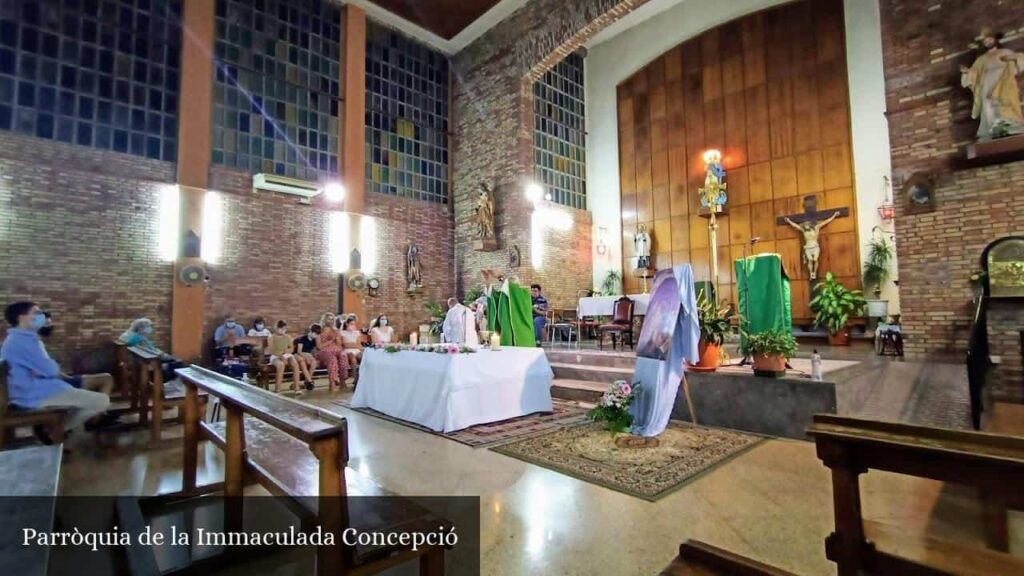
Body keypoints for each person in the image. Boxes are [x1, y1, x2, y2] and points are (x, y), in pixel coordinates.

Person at [1, 302, 110, 441]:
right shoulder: (23, 341)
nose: (41, 316)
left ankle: (53, 428)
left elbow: (44, 369)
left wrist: (43, 369)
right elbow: (51, 370)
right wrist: (47, 369)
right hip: (31, 394)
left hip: (30, 389)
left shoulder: (18, 338)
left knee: (80, 398)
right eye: (36, 312)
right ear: (22, 318)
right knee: (101, 401)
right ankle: (55, 429)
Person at [39, 311, 116, 402]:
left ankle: (97, 410)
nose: (51, 326)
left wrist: (68, 376)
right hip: (56, 385)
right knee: (107, 378)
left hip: (57, 381)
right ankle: (99, 412)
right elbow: (46, 370)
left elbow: (49, 368)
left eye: (50, 323)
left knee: (104, 377)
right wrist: (68, 378)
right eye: (48, 323)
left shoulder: (36, 343)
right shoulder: (35, 344)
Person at [119, 318, 186, 385]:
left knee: (170, 359)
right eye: (148, 326)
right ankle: (162, 382)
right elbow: (152, 352)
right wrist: (162, 354)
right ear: (141, 327)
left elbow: (150, 349)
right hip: (146, 362)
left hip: (138, 361)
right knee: (178, 362)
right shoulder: (139, 338)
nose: (150, 328)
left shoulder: (128, 335)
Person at [266, 320, 309, 394]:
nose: (283, 331)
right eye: (281, 329)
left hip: (286, 354)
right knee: (281, 365)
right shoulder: (271, 337)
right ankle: (278, 390)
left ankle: (296, 388)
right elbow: (272, 350)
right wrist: (281, 356)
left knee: (295, 364)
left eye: (284, 329)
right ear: (277, 328)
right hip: (275, 356)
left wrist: (286, 352)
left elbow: (291, 348)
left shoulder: (288, 337)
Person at [316, 312, 349, 390]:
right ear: (324, 320)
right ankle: (332, 382)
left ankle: (342, 380)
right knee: (332, 359)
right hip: (324, 351)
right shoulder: (319, 330)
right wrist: (330, 340)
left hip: (335, 349)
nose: (330, 321)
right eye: (328, 319)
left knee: (343, 355)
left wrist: (337, 337)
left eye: (332, 319)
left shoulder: (335, 330)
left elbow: (339, 345)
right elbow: (319, 346)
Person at [292, 323, 321, 390]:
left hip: (307, 355)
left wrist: (312, 356)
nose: (316, 336)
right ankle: (310, 381)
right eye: (315, 333)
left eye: (317, 334)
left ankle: (307, 381)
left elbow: (313, 351)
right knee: (303, 362)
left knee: (314, 362)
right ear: (310, 331)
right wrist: (307, 356)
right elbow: (299, 351)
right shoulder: (302, 339)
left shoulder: (313, 340)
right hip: (298, 354)